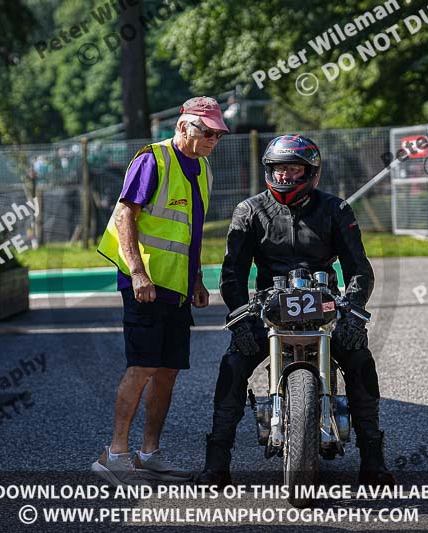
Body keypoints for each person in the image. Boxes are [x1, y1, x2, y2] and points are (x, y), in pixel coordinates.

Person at [197, 135, 395, 487]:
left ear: (311, 172)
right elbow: (233, 271)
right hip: (266, 308)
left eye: (294, 169)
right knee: (232, 365)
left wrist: (353, 314)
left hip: (326, 307)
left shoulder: (336, 209)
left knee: (360, 361)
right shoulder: (249, 210)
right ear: (268, 170)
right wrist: (240, 317)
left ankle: (373, 459)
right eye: (279, 169)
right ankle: (216, 464)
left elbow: (359, 269)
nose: (286, 176)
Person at [94, 96, 228, 486]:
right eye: (208, 132)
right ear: (184, 125)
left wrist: (198, 279)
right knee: (142, 368)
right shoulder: (152, 160)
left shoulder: (202, 169)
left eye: (218, 134)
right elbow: (124, 215)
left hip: (178, 287)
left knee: (167, 371)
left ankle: (149, 453)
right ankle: (115, 455)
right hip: (146, 285)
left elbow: (190, 230)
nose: (213, 140)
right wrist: (137, 273)